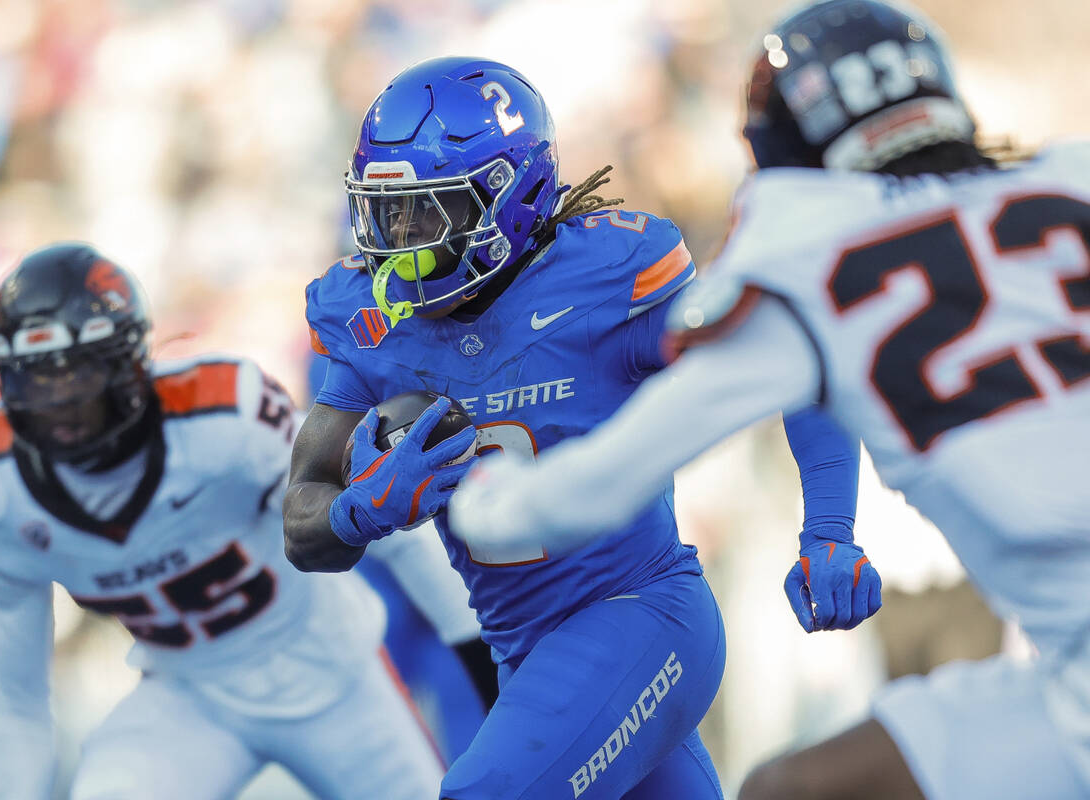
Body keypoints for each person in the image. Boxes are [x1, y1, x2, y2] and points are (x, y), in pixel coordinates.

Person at [448, 2, 1090, 799]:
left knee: (787, 788)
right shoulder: (1073, 176)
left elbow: (593, 488)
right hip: (1062, 660)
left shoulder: (810, 262)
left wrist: (480, 497)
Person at [283, 56, 875, 799]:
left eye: (426, 213)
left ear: (509, 197)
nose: (398, 243)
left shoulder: (608, 278)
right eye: (385, 213)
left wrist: (830, 528)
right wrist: (359, 510)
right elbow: (301, 525)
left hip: (642, 613)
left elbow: (791, 361)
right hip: (523, 654)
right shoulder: (374, 324)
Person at [0, 243, 447, 800]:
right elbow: (17, 694)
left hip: (332, 676)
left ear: (130, 362)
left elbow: (385, 517)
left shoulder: (223, 413)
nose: (60, 403)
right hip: (189, 697)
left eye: (79, 375)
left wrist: (475, 641)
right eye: (38, 379)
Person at [306, 352, 499, 760]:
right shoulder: (339, 342)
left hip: (457, 551)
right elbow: (315, 486)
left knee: (479, 721)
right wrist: (356, 515)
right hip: (393, 553)